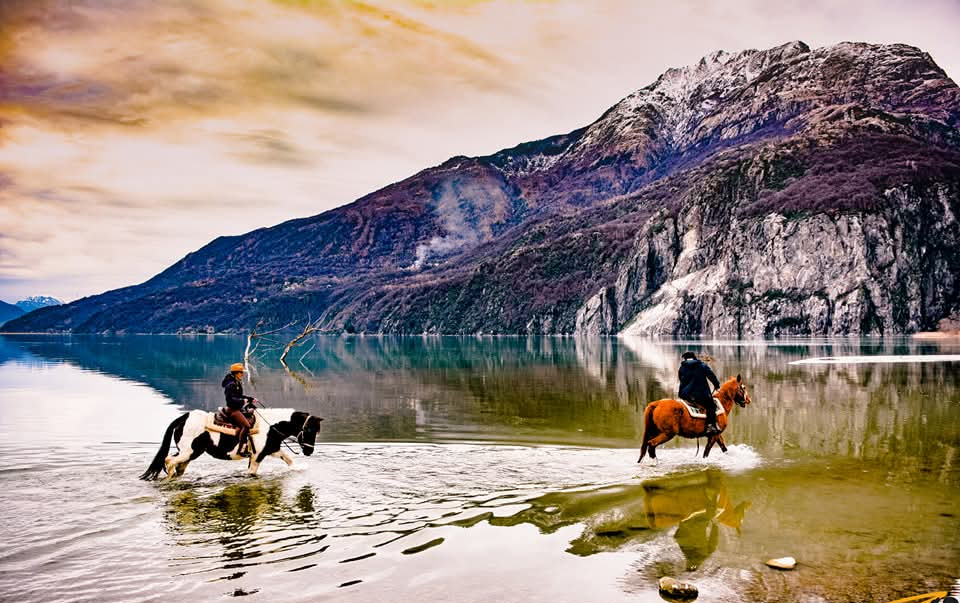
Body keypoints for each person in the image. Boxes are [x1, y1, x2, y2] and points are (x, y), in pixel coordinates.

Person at [678, 351, 721, 436]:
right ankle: (710, 426)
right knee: (711, 405)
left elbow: (681, 380)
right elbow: (711, 375)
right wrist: (717, 385)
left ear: (685, 358)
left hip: (685, 395)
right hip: (700, 394)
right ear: (694, 357)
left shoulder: (682, 368)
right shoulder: (701, 365)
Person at [221, 362, 257, 457]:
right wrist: (243, 401)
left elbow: (239, 396)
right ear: (236, 373)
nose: (242, 374)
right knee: (246, 426)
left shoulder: (236, 382)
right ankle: (241, 450)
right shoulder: (231, 384)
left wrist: (250, 399)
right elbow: (230, 400)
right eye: (241, 372)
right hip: (232, 410)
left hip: (237, 408)